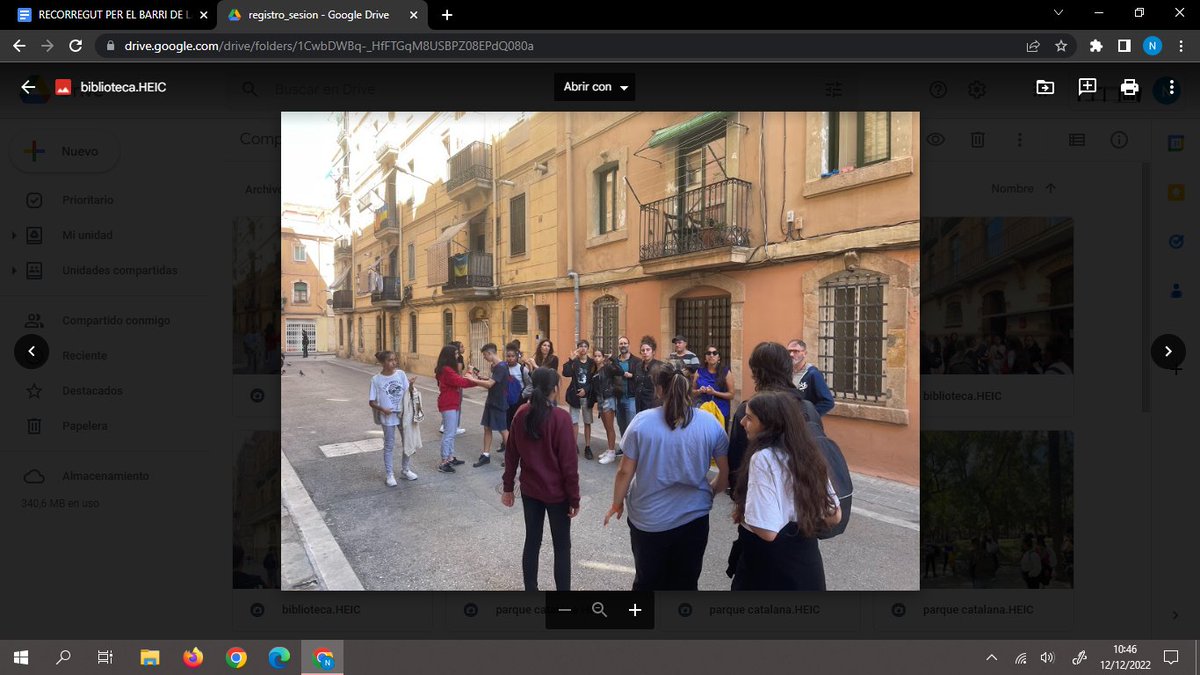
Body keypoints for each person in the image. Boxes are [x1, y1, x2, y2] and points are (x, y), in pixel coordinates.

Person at [603, 364, 730, 591]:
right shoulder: (710, 424)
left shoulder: (641, 422)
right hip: (694, 517)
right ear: (691, 386)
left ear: (659, 390)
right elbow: (725, 473)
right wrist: (710, 490)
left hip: (649, 520)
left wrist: (617, 502)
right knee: (686, 583)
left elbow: (625, 471)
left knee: (647, 582)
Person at [729, 390, 841, 590]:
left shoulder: (763, 458)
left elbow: (767, 531)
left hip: (769, 566)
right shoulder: (808, 454)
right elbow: (834, 515)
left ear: (768, 424)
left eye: (749, 418)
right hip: (807, 562)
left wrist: (745, 515)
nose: (742, 422)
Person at [501, 367, 580, 591]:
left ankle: (531, 590)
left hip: (530, 491)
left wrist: (508, 487)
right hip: (557, 494)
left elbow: (511, 454)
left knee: (532, 541)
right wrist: (574, 498)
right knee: (562, 546)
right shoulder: (560, 418)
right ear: (554, 389)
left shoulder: (521, 413)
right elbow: (569, 465)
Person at [435, 345, 485, 473]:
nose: (458, 356)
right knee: (449, 433)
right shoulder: (446, 370)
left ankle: (450, 457)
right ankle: (444, 462)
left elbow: (461, 381)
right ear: (449, 356)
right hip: (448, 403)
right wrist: (471, 375)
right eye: (456, 354)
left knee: (452, 433)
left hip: (453, 403)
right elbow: (461, 382)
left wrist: (475, 379)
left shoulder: (448, 369)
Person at [368, 350, 414, 486]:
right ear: (382, 363)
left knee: (408, 443)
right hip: (388, 417)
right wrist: (383, 409)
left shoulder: (401, 374)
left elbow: (407, 392)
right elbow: (371, 402)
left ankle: (405, 470)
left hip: (403, 414)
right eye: (390, 360)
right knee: (389, 445)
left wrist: (411, 385)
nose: (394, 362)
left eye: (395, 359)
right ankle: (390, 474)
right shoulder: (376, 380)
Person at [471, 343, 510, 468]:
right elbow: (493, 380)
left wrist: (473, 380)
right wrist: (483, 378)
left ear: (490, 353)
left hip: (499, 403)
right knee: (487, 427)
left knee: (503, 430)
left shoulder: (501, 367)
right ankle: (486, 455)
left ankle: (510, 457)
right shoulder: (495, 366)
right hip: (491, 401)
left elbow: (489, 384)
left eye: (484, 355)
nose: (484, 358)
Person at [561, 339, 596, 460]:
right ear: (578, 348)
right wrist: (570, 359)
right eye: (580, 346)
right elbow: (565, 373)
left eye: (585, 346)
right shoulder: (574, 362)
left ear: (588, 349)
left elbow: (593, 380)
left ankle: (587, 446)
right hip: (575, 396)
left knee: (587, 422)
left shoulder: (592, 363)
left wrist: (585, 390)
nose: (583, 348)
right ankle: (573, 445)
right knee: (574, 421)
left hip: (587, 396)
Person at [591, 350, 624, 465]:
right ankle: (610, 449)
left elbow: (620, 371)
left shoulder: (608, 368)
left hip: (608, 399)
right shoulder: (595, 370)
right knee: (606, 426)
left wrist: (613, 358)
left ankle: (611, 453)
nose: (597, 358)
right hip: (601, 400)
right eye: (595, 356)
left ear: (603, 358)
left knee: (610, 427)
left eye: (599, 356)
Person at [500, 343, 534, 455]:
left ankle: (518, 447)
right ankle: (507, 445)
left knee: (517, 424)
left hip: (518, 402)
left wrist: (522, 395)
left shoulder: (522, 369)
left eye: (512, 356)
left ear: (517, 356)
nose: (510, 358)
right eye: (508, 356)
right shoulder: (503, 368)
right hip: (505, 401)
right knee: (506, 424)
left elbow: (530, 385)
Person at [787, 339, 834, 416]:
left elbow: (828, 402)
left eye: (796, 351)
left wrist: (808, 416)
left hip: (803, 424)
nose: (791, 354)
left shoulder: (813, 374)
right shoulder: (785, 372)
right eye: (789, 351)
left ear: (804, 353)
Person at [693, 344, 735, 430]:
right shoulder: (699, 371)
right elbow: (691, 392)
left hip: (720, 412)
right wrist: (699, 391)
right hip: (703, 411)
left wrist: (714, 393)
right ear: (705, 357)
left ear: (719, 357)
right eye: (708, 353)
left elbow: (731, 395)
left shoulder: (725, 372)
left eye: (714, 353)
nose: (711, 355)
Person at [613, 336, 638, 454]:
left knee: (631, 426)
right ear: (618, 346)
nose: (623, 345)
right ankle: (624, 447)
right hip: (618, 398)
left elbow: (640, 377)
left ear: (629, 345)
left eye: (625, 343)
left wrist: (632, 376)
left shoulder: (636, 361)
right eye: (621, 343)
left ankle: (631, 451)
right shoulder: (615, 361)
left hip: (631, 398)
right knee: (621, 425)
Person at [440, 341, 468, 435]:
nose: (463, 348)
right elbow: (459, 375)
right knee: (449, 434)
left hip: (449, 397)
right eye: (461, 347)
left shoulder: (445, 367)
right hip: (451, 395)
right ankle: (452, 426)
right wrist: (471, 376)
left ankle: (447, 425)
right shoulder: (449, 368)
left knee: (450, 434)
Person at [631, 335, 664, 413]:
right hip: (639, 404)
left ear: (653, 352)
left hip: (653, 405)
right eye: (643, 350)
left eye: (648, 350)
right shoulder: (638, 366)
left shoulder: (660, 366)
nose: (645, 352)